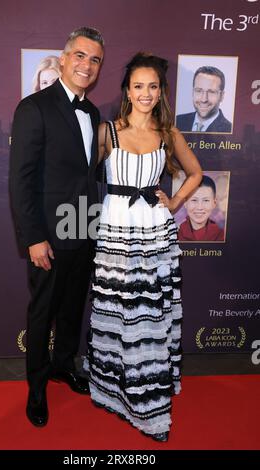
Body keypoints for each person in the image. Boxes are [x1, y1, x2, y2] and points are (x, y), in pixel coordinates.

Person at [86, 52, 202, 441]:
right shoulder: (108, 132)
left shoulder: (168, 133)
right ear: (127, 91)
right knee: (119, 310)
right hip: (117, 228)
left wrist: (174, 202)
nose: (146, 93)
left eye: (153, 86)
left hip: (153, 230)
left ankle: (149, 406)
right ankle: (113, 392)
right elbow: (85, 178)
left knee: (148, 315)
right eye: (139, 86)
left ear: (161, 91)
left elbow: (195, 172)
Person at [9, 27, 104, 427]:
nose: (86, 65)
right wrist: (33, 238)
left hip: (84, 230)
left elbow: (88, 176)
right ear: (63, 59)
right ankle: (36, 389)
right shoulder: (34, 108)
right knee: (42, 311)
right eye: (80, 56)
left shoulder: (94, 112)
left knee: (71, 309)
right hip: (48, 235)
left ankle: (64, 365)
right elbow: (21, 180)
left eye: (95, 59)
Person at [176, 66, 232, 133]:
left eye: (211, 92)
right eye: (199, 91)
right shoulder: (177, 121)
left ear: (222, 96)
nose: (204, 99)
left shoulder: (229, 129)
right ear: (192, 92)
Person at [178, 175, 225, 241]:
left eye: (206, 200)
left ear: (214, 203)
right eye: (194, 200)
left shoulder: (221, 235)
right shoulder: (175, 235)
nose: (199, 207)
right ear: (185, 202)